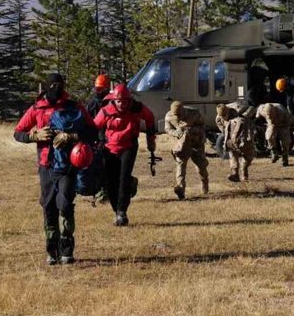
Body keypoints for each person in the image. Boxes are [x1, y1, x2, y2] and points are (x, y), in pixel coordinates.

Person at [14, 73, 97, 265]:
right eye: (53, 86)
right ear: (47, 88)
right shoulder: (37, 108)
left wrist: (73, 136)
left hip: (69, 165)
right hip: (46, 166)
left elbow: (93, 130)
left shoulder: (74, 107)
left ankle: (67, 249)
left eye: (60, 86)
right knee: (49, 206)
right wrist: (34, 136)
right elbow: (18, 133)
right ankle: (52, 251)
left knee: (66, 204)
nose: (57, 90)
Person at [93, 83, 156, 226]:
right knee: (111, 181)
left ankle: (122, 211)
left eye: (125, 101)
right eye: (119, 101)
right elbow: (93, 126)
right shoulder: (106, 111)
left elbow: (150, 117)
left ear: (129, 100)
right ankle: (116, 210)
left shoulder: (136, 108)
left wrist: (150, 139)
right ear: (114, 100)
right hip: (109, 148)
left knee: (123, 178)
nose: (122, 104)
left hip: (129, 146)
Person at [164, 101, 208, 200]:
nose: (178, 116)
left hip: (196, 143)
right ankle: (181, 189)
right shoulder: (169, 116)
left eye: (179, 114)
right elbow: (167, 129)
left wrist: (191, 130)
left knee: (201, 166)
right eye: (176, 115)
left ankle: (204, 183)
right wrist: (177, 133)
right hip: (182, 145)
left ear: (183, 111)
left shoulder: (195, 113)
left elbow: (203, 126)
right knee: (180, 165)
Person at [85, 74, 111, 200]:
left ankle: (106, 190)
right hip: (97, 139)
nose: (98, 91)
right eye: (97, 88)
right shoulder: (92, 103)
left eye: (101, 89)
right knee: (99, 165)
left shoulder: (111, 101)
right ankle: (101, 190)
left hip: (108, 138)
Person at [219, 103, 256, 182]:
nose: (223, 118)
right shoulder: (220, 116)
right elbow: (221, 125)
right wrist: (227, 134)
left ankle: (244, 171)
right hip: (232, 134)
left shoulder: (240, 111)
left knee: (248, 156)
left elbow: (252, 108)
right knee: (233, 154)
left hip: (246, 130)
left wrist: (245, 117)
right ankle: (235, 174)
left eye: (224, 116)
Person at [256, 102, 294, 166]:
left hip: (283, 125)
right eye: (268, 116)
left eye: (271, 115)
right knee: (269, 137)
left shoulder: (284, 113)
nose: (270, 117)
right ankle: (274, 152)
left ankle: (285, 158)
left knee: (285, 142)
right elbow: (257, 118)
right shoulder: (261, 109)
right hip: (272, 124)